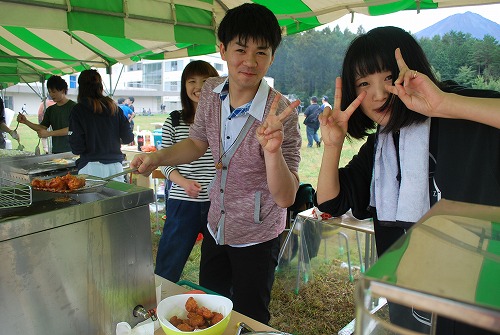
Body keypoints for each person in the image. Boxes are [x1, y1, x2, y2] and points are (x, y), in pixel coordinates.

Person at [315, 26, 500, 335]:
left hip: (481, 300)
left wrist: (444, 104)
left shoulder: (459, 111)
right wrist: (332, 145)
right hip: (411, 303)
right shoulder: (381, 147)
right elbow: (331, 200)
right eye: (364, 83)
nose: (378, 94)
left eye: (389, 78)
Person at [131, 3, 302, 324]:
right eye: (240, 49)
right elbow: (197, 143)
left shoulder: (281, 115)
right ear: (222, 50)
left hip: (257, 234)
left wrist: (273, 151)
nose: (250, 62)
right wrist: (158, 157)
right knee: (210, 311)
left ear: (272, 56)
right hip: (216, 225)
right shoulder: (210, 91)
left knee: (250, 316)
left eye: (261, 53)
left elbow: (286, 197)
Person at [155, 60, 219, 283]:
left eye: (205, 81)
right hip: (183, 201)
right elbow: (165, 162)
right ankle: (159, 302)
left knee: (216, 267)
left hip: (217, 204)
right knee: (169, 262)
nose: (198, 86)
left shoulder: (222, 120)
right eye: (192, 81)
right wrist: (183, 182)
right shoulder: (174, 120)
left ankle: (215, 305)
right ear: (184, 86)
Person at [68, 69, 134, 180]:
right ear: (100, 86)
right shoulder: (114, 108)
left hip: (90, 168)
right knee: (117, 198)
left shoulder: (78, 110)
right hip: (115, 168)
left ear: (80, 87)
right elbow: (128, 138)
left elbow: (77, 147)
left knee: (93, 198)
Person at [17, 75, 76, 154]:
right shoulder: (50, 110)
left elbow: (72, 129)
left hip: (73, 150)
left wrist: (49, 133)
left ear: (62, 90)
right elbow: (42, 127)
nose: (51, 94)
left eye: (54, 91)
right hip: (56, 151)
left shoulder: (74, 107)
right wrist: (26, 122)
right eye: (50, 92)